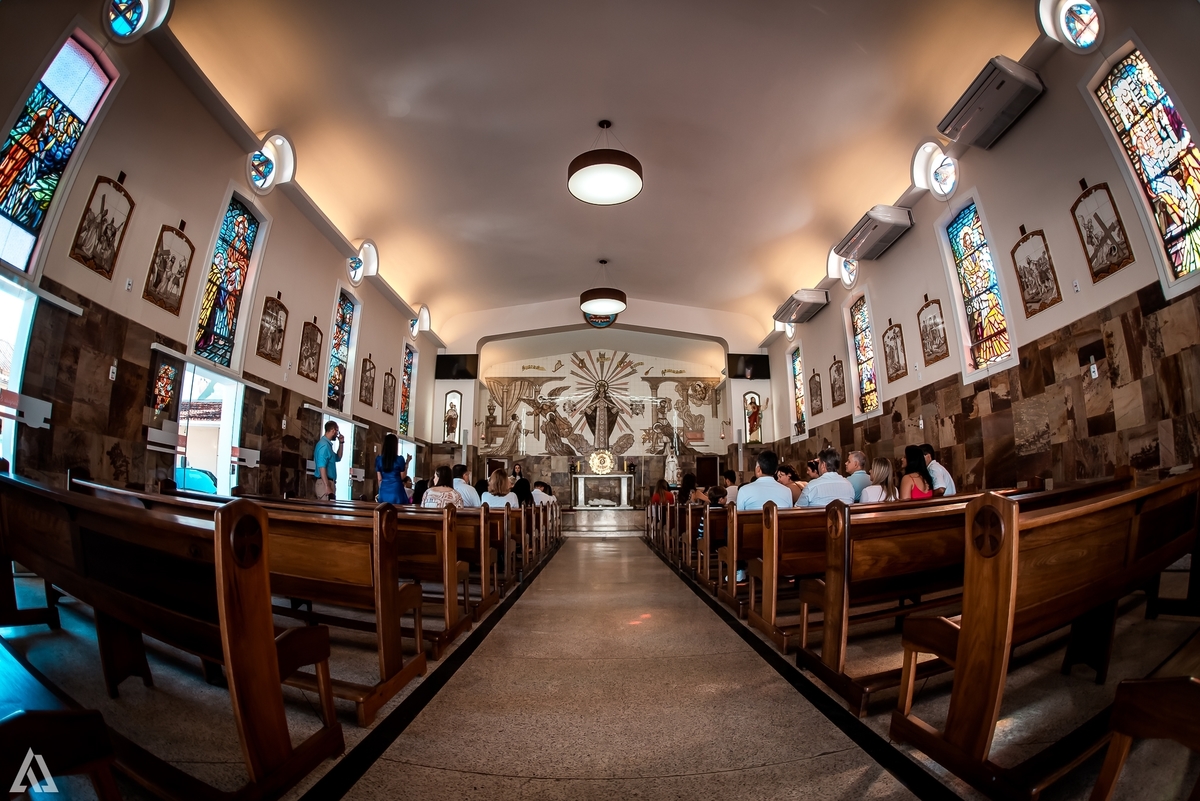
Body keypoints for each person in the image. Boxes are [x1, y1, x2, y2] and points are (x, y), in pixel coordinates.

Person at [375, 433, 412, 504]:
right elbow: (402, 477)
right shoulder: (400, 459)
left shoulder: (379, 460)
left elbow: (379, 479)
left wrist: (381, 491)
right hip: (396, 490)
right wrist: (406, 465)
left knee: (384, 510)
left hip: (384, 489)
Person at [313, 420, 344, 500]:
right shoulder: (324, 446)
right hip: (325, 484)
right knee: (326, 511)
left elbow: (338, 457)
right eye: (337, 431)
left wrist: (341, 443)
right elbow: (321, 466)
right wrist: (327, 486)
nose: (337, 434)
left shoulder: (328, 445)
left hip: (328, 482)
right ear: (333, 430)